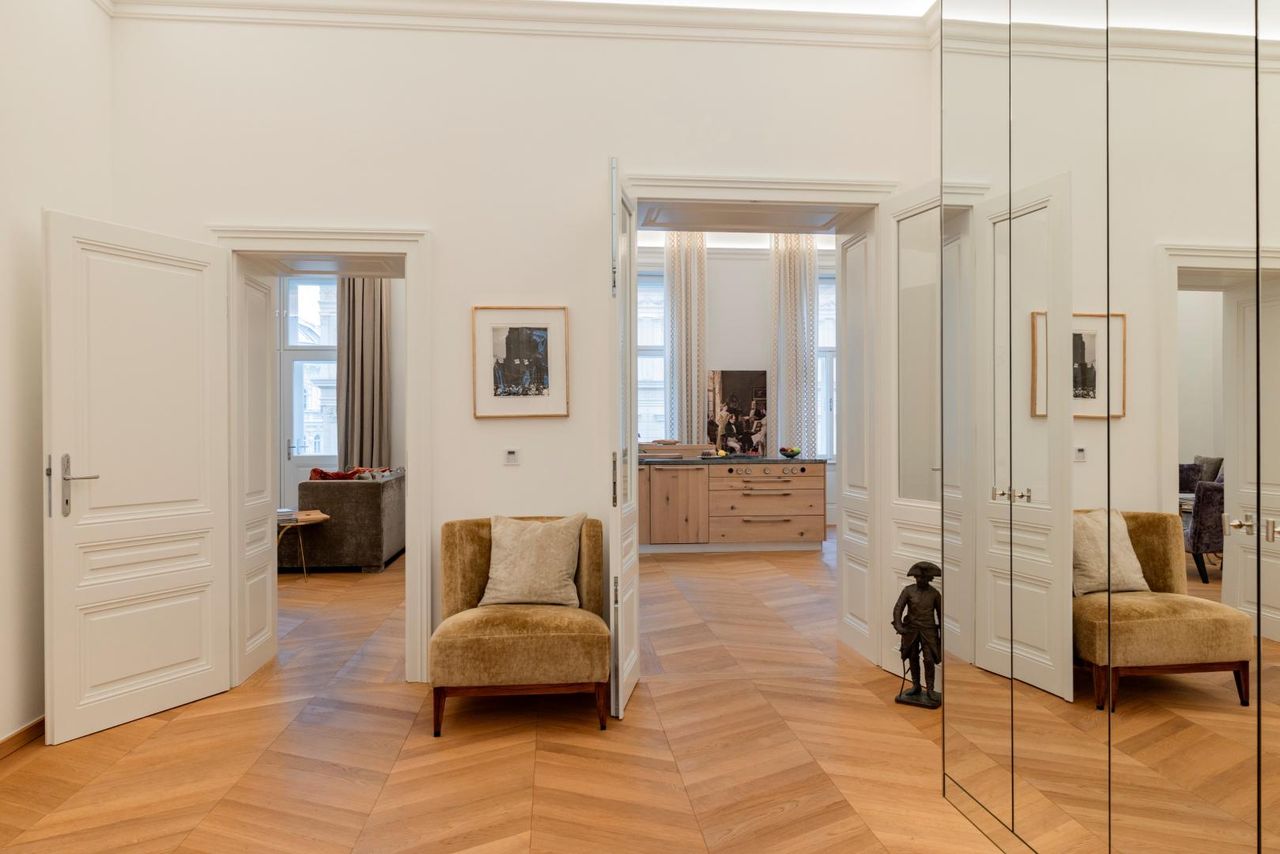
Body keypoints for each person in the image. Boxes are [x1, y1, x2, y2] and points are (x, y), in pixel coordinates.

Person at [891, 560, 942, 708]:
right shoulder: (908, 591)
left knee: (928, 659)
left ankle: (930, 689)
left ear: (929, 579)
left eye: (924, 578)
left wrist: (942, 635)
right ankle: (916, 685)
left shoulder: (934, 594)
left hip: (928, 630)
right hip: (911, 629)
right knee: (912, 656)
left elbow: (941, 614)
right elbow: (898, 609)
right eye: (918, 577)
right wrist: (899, 626)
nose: (920, 580)